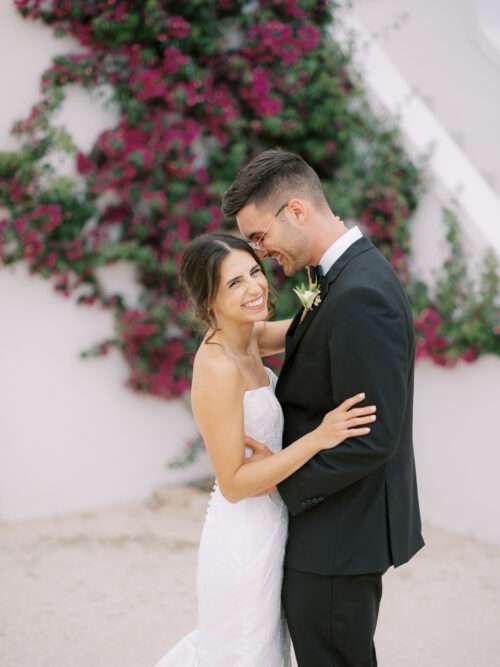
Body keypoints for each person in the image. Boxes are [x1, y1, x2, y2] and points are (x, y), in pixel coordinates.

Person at [222, 148, 425, 666]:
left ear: (295, 211)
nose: (261, 254)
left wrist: (277, 482)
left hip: (338, 536)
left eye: (260, 237)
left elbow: (372, 438)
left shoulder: (360, 294)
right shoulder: (344, 278)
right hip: (331, 529)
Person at [154, 232, 376, 666]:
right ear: (208, 299)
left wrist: (334, 278)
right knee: (244, 652)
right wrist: (320, 437)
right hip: (242, 540)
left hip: (276, 525)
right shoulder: (217, 366)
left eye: (254, 271)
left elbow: (306, 328)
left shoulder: (248, 337)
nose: (254, 287)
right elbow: (234, 483)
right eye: (233, 283)